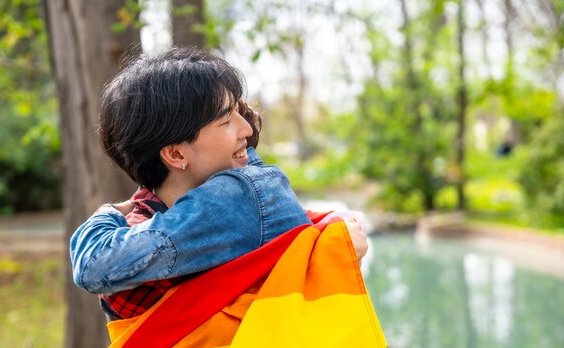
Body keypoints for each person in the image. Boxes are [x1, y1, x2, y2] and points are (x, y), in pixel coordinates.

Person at [69, 47, 368, 320]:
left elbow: (92, 265)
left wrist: (108, 211)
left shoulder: (243, 195)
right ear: (175, 153)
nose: (246, 129)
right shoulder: (160, 215)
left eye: (239, 112)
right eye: (226, 121)